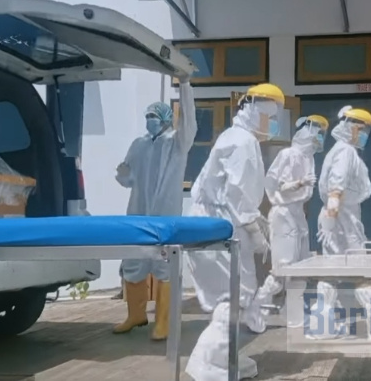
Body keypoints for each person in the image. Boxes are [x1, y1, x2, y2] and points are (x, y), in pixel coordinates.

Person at [185, 83, 285, 381]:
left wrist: (256, 221)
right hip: (221, 225)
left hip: (216, 222)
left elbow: (232, 192)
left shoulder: (235, 136)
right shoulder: (243, 142)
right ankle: (209, 365)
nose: (274, 123)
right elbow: (238, 194)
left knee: (232, 296)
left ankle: (225, 357)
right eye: (270, 116)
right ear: (255, 111)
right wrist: (254, 230)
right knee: (234, 297)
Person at [310, 106, 371, 343]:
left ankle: (322, 327)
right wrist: (332, 217)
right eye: (360, 129)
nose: (363, 134)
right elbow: (337, 186)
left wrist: (329, 219)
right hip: (342, 219)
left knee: (331, 272)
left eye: (365, 130)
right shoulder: (346, 152)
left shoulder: (339, 150)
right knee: (363, 273)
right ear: (348, 127)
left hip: (334, 217)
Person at [111, 78, 197, 341]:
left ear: (167, 118)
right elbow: (127, 179)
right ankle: (135, 315)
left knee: (164, 266)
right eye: (147, 116)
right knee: (132, 262)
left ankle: (164, 322)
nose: (150, 120)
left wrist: (185, 85)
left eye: (154, 116)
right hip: (138, 213)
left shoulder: (177, 142)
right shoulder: (139, 144)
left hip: (165, 215)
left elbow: (189, 122)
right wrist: (122, 173)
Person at [252, 114, 329, 328]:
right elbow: (276, 185)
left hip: (298, 213)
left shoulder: (309, 158)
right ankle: (256, 310)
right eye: (317, 131)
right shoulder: (288, 154)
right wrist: (299, 183)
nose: (319, 137)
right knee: (282, 270)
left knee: (301, 268)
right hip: (283, 214)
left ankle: (293, 314)